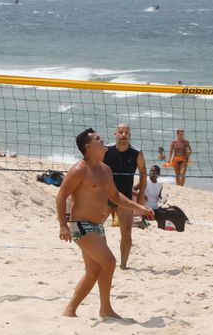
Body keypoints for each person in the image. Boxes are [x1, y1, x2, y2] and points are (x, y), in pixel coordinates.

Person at [56, 128, 154, 318]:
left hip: (97, 227)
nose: (103, 141)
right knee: (109, 262)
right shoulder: (79, 169)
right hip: (81, 226)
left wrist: (139, 208)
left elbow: (115, 196)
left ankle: (70, 311)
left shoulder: (105, 169)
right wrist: (62, 225)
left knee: (93, 271)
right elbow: (61, 196)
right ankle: (106, 309)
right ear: (88, 146)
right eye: (98, 139)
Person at [102, 123, 146, 269]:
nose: (123, 135)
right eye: (120, 132)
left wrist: (140, 197)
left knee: (126, 233)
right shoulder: (106, 150)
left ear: (130, 135)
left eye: (126, 132)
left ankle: (123, 265)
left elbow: (143, 174)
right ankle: (102, 258)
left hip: (125, 198)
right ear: (115, 134)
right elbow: (95, 169)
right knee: (96, 228)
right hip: (106, 196)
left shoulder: (137, 153)